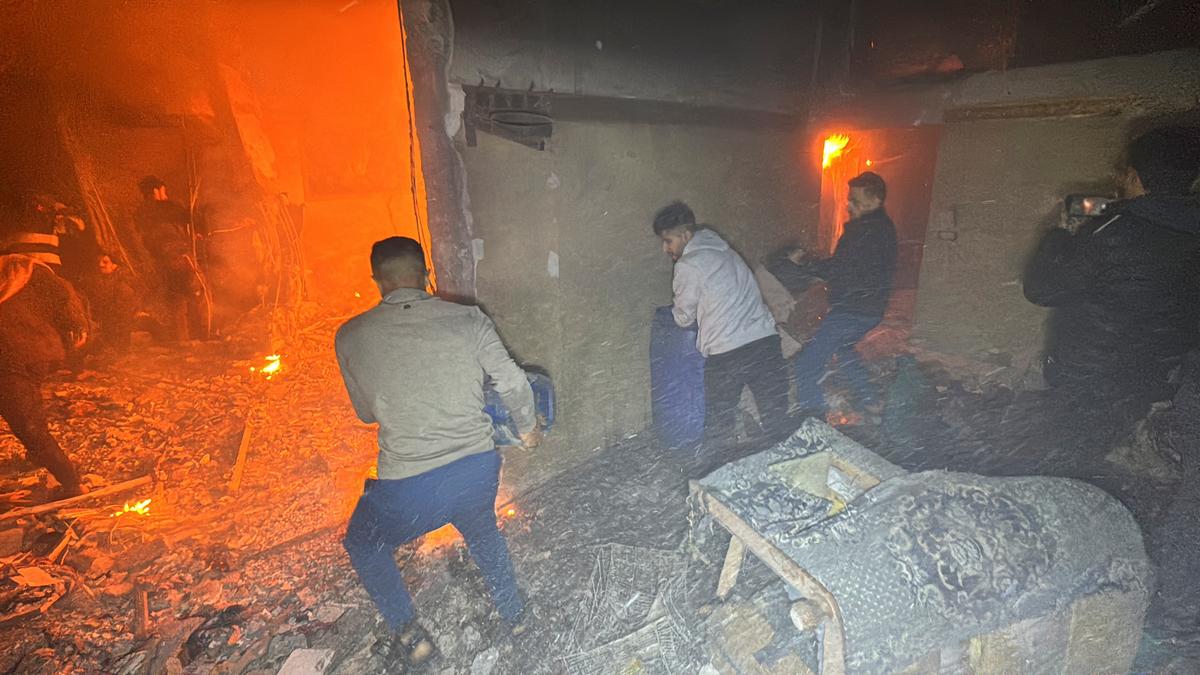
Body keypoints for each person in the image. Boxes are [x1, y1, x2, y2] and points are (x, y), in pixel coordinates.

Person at [335, 236, 539, 669]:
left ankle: (412, 636)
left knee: (364, 542)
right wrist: (530, 430)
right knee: (482, 530)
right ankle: (515, 614)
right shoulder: (468, 319)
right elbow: (516, 383)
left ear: (377, 282)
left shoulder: (351, 335)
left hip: (409, 489)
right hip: (476, 469)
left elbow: (365, 413)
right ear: (426, 273)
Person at [1024, 127, 1200, 413]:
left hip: (1092, 378)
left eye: (1124, 172)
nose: (1118, 179)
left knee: (1075, 443)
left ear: (1135, 177)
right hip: (1160, 375)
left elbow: (1040, 290)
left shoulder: (1109, 234)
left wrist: (1058, 235)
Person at [654, 201, 793, 455]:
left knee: (719, 426)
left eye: (668, 240)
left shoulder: (688, 265)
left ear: (685, 235)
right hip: (766, 345)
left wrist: (680, 312)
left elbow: (683, 317)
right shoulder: (726, 251)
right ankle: (790, 476)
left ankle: (714, 482)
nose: (666, 248)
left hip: (729, 353)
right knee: (777, 422)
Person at [767, 171, 897, 418]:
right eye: (850, 199)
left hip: (853, 310)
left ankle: (813, 416)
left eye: (855, 200)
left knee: (808, 363)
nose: (848, 204)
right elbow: (848, 265)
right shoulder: (877, 227)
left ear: (875, 201)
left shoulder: (866, 232)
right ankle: (871, 400)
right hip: (868, 308)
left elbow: (840, 268)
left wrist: (802, 266)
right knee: (845, 350)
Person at [0, 254, 88, 497]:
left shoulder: (17, 276)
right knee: (29, 418)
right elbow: (65, 307)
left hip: (14, 356)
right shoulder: (29, 273)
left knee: (30, 426)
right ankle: (46, 460)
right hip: (39, 353)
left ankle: (72, 484)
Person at [133, 176, 204, 341]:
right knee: (198, 291)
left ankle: (182, 340)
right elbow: (188, 216)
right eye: (163, 191)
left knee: (176, 300)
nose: (165, 196)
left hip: (161, 262)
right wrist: (195, 215)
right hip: (178, 257)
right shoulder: (164, 208)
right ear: (156, 191)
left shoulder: (140, 213)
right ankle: (201, 334)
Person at [81, 252, 137, 353]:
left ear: (114, 265)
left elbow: (123, 320)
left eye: (105, 262)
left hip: (117, 339)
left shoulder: (122, 287)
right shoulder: (104, 283)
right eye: (100, 262)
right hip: (106, 334)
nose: (100, 265)